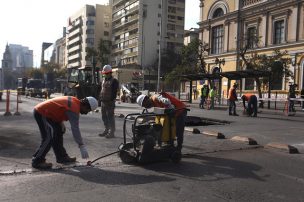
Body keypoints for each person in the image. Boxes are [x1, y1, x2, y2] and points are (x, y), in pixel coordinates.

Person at [32, 96, 98, 169]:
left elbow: (59, 108)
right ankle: (37, 161)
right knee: (48, 137)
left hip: (49, 114)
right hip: (42, 113)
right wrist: (81, 145)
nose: (86, 113)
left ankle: (62, 157)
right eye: (87, 110)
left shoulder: (75, 100)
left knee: (59, 131)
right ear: (85, 105)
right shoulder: (74, 109)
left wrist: (60, 122)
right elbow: (75, 129)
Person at [99, 65, 119, 138]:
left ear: (110, 73)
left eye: (106, 73)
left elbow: (114, 92)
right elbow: (102, 90)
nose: (105, 74)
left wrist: (111, 100)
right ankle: (106, 130)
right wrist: (100, 98)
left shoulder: (114, 81)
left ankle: (111, 132)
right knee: (104, 117)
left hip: (109, 102)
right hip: (103, 102)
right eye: (104, 73)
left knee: (110, 117)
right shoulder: (104, 80)